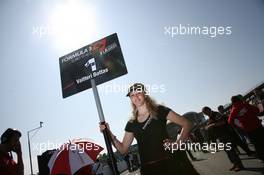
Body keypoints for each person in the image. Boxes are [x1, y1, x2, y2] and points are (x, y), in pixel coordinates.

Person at [100, 83, 199, 175]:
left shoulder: (159, 110)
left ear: (145, 94)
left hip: (170, 163)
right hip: (149, 169)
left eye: (138, 93)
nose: (136, 97)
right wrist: (109, 134)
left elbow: (187, 123)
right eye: (132, 95)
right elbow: (123, 149)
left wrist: (177, 144)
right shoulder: (131, 123)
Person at [202, 106, 244, 172]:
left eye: (205, 112)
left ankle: (239, 165)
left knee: (231, 151)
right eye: (204, 113)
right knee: (228, 152)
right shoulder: (210, 117)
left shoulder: (216, 114)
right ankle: (234, 164)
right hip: (220, 136)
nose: (205, 114)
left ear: (209, 110)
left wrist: (212, 125)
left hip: (225, 135)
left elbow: (223, 122)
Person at [228, 95, 264, 161]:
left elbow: (230, 121)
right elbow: (257, 110)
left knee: (256, 144)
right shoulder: (245, 105)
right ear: (239, 99)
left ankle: (262, 157)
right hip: (257, 125)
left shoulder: (234, 110)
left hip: (248, 129)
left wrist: (239, 126)